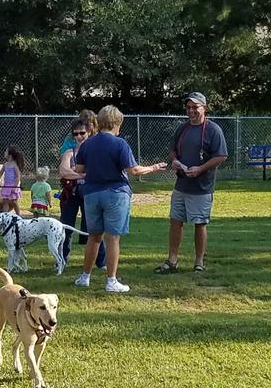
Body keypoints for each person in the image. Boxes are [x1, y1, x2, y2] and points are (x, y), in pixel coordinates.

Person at [72, 105, 166, 292]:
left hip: (91, 193)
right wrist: (154, 167)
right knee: (112, 238)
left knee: (94, 237)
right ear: (116, 123)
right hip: (115, 193)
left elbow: (79, 170)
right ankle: (111, 281)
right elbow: (133, 170)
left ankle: (85, 277)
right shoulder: (120, 144)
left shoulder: (87, 144)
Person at [154, 92, 229, 274]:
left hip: (202, 187)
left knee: (200, 223)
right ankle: (172, 260)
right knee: (175, 221)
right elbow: (173, 151)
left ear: (204, 108)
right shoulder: (182, 128)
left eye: (195, 107)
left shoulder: (213, 130)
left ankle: (199, 262)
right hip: (181, 185)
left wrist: (201, 169)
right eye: (188, 107)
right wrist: (175, 162)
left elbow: (221, 156)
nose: (191, 111)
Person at [58, 117, 106, 272]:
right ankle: (62, 260)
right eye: (76, 134)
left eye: (82, 133)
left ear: (90, 132)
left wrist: (74, 174)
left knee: (94, 227)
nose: (79, 136)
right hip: (70, 194)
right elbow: (63, 171)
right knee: (66, 227)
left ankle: (101, 261)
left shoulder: (96, 151)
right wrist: (84, 176)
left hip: (90, 194)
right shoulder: (69, 152)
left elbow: (98, 172)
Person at [0, 145, 25, 213]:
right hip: (6, 185)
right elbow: (0, 173)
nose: (4, 153)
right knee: (5, 202)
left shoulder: (14, 165)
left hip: (13, 186)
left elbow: (18, 176)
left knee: (14, 202)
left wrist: (15, 186)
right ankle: (5, 216)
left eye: (6, 151)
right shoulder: (5, 164)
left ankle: (18, 216)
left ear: (10, 154)